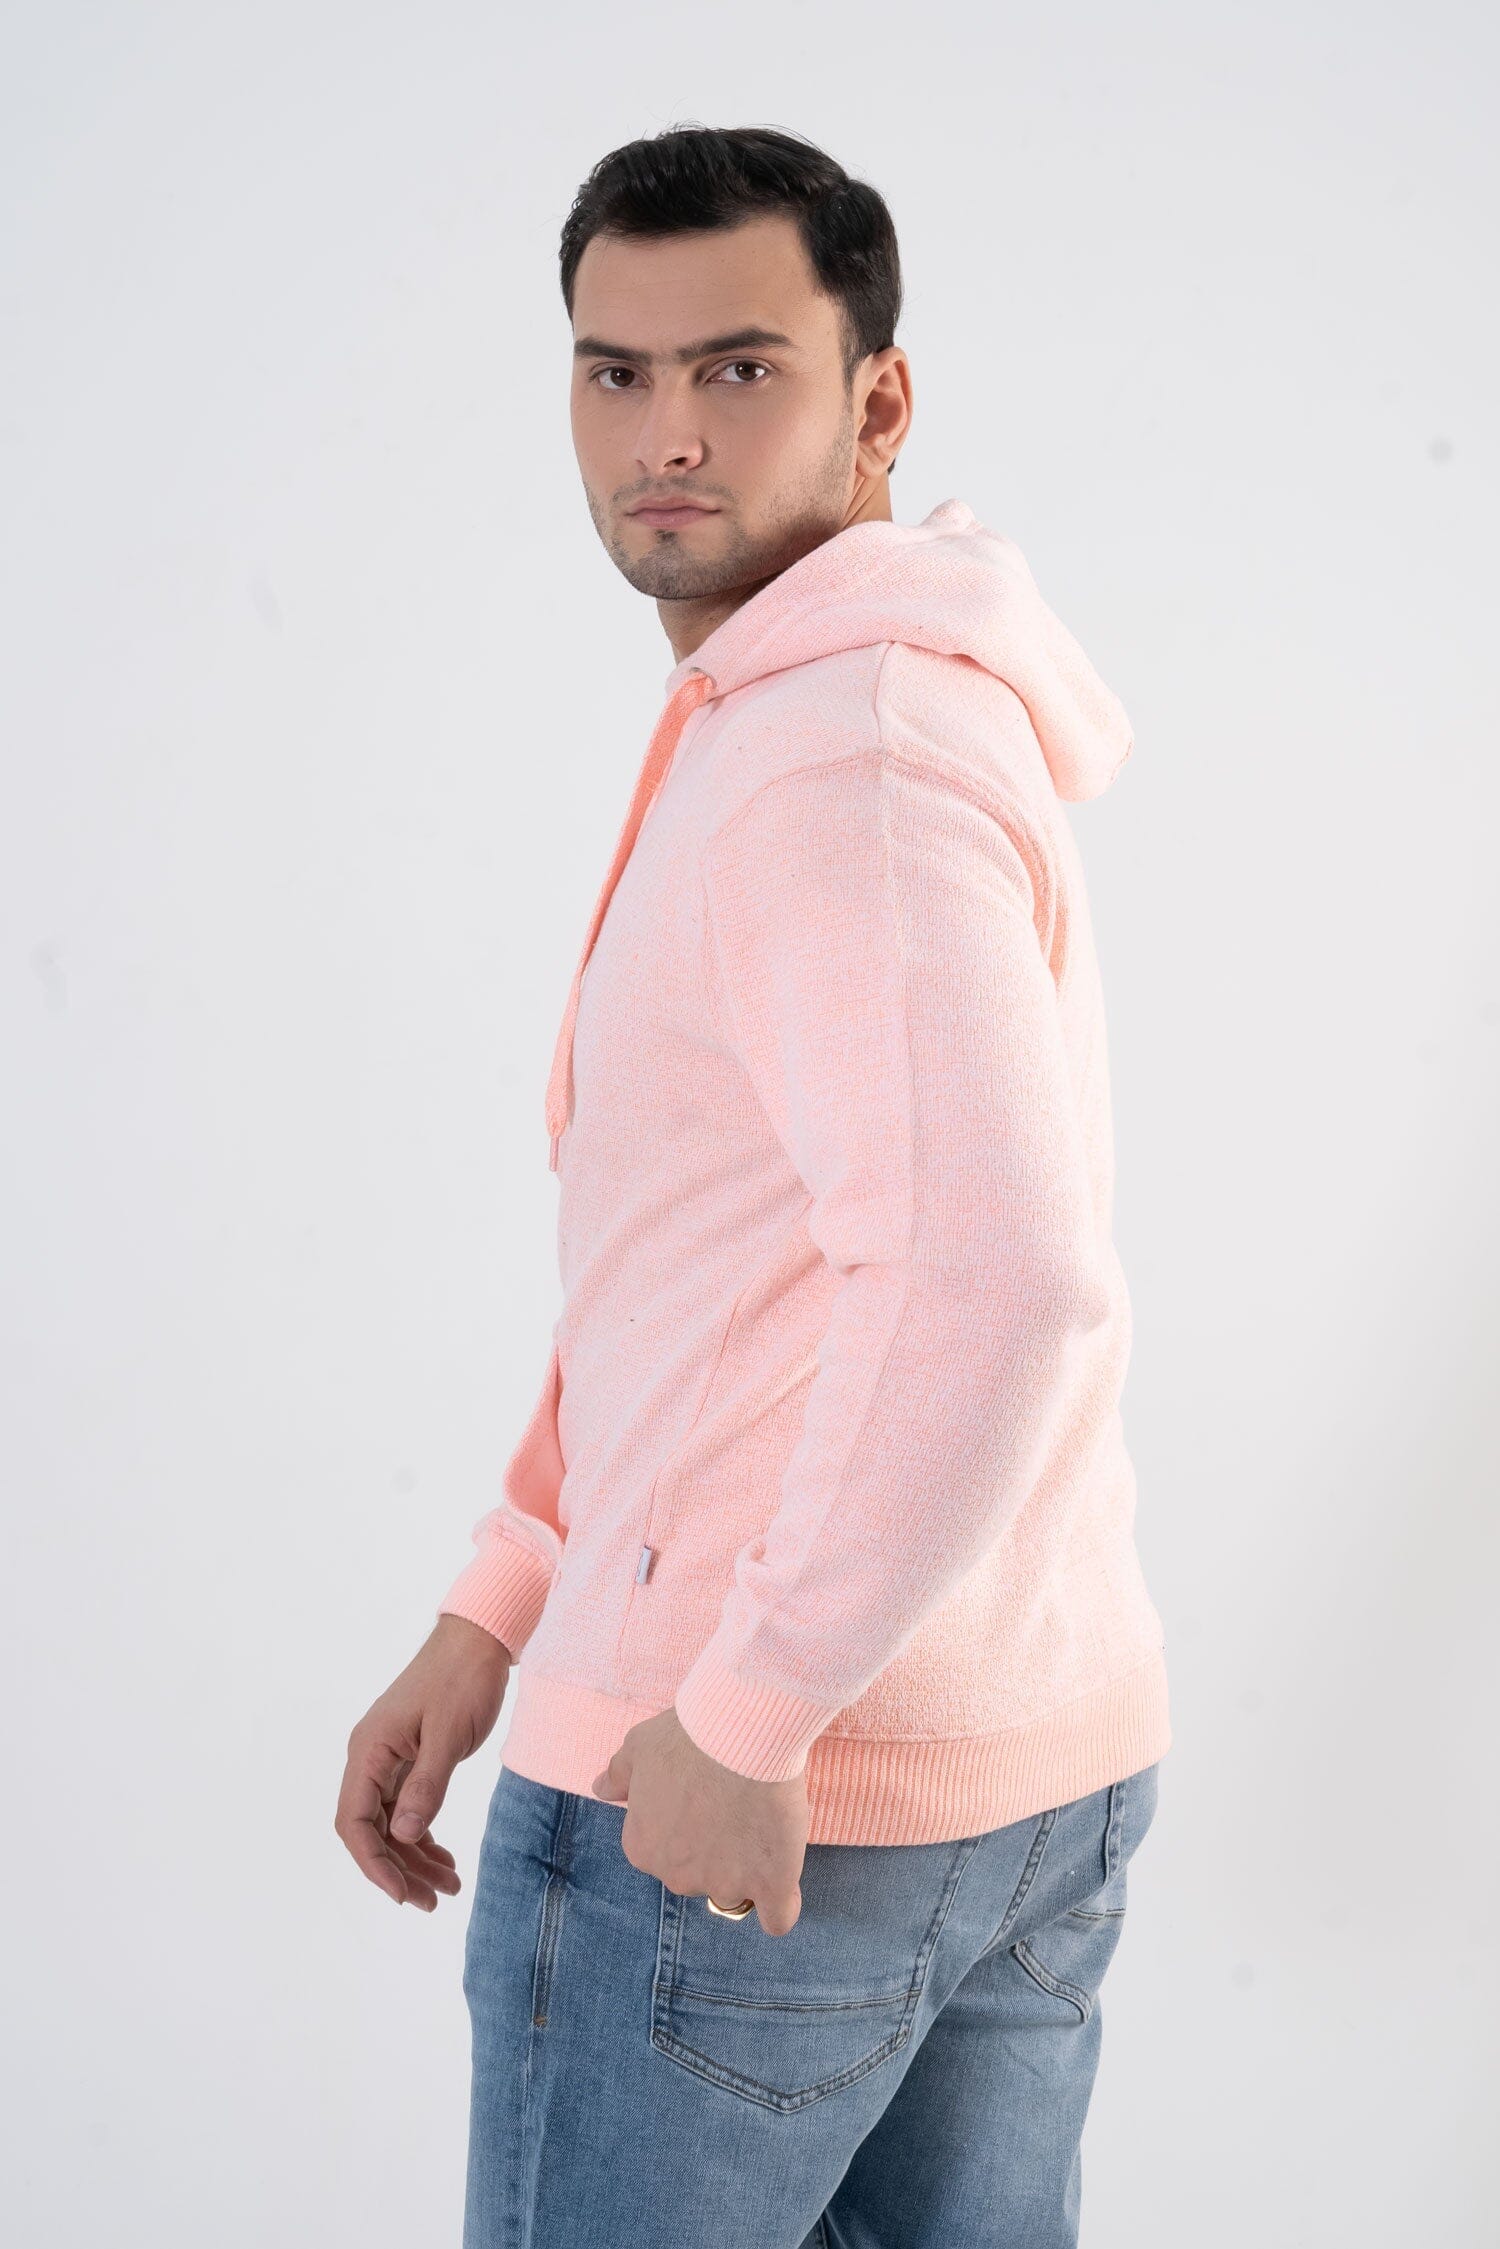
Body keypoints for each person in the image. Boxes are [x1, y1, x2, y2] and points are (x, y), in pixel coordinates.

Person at [336, 122, 1171, 2249]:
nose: (667, 436)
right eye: (613, 373)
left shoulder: (839, 753)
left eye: (737, 368)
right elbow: (714, 1263)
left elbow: (996, 1277)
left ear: (879, 403)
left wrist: (750, 1699)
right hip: (1013, 1759)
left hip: (744, 1805)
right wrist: (503, 1593)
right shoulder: (848, 708)